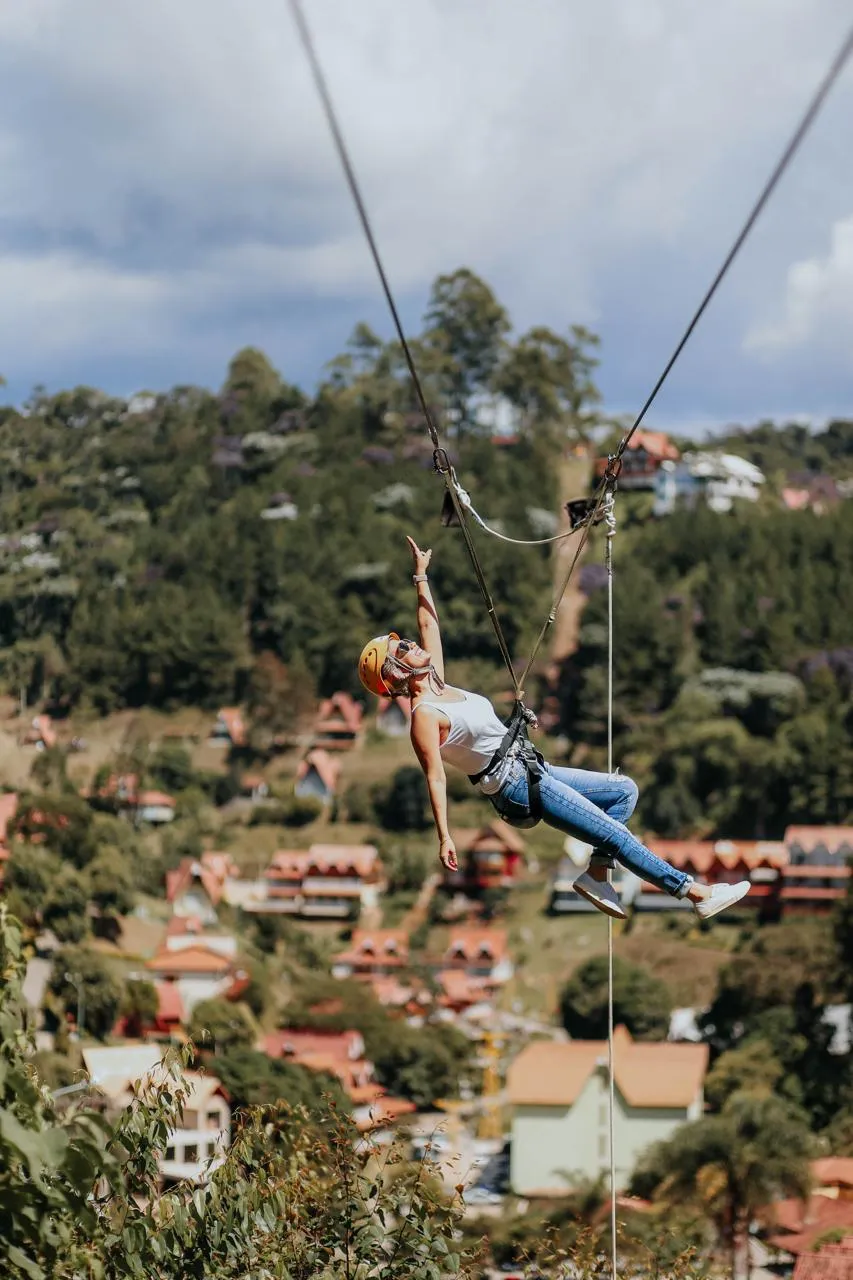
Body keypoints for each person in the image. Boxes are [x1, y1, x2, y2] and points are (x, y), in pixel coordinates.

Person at [357, 536, 751, 921]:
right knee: (614, 834)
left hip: (529, 767)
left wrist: (420, 576)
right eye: (403, 649)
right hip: (514, 784)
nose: (412, 645)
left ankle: (597, 874)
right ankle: (694, 892)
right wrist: (445, 835)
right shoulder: (424, 715)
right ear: (396, 673)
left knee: (624, 791)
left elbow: (429, 624)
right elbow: (436, 778)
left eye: (406, 642)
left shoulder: (438, 684)